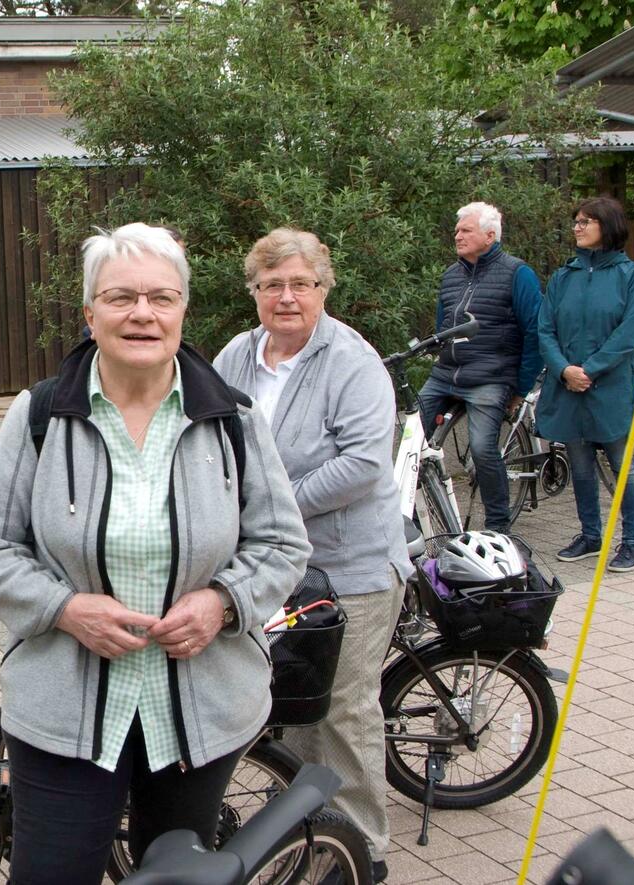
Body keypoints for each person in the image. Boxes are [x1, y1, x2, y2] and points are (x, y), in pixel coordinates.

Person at [0, 223, 310, 885]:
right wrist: (64, 608)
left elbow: (284, 543)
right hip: (65, 708)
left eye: (161, 297)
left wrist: (222, 601)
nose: (142, 313)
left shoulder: (232, 419)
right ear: (90, 314)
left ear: (183, 311)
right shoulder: (39, 416)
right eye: (121, 297)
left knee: (178, 876)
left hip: (199, 711)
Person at [213, 227, 413, 884]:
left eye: (301, 283)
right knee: (290, 702)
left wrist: (274, 505)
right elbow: (205, 430)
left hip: (349, 568)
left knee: (342, 709)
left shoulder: (351, 361)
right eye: (273, 285)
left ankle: (362, 846)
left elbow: (361, 461)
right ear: (256, 293)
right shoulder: (238, 356)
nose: (287, 296)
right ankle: (305, 825)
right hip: (275, 570)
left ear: (323, 289)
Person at [537, 196, 634, 572]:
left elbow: (629, 332)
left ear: (609, 226)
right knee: (581, 467)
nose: (577, 227)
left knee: (625, 466)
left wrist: (590, 370)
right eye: (577, 221)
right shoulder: (563, 277)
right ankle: (590, 534)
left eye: (586, 221)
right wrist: (564, 369)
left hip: (610, 389)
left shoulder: (632, 276)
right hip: (568, 386)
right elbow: (545, 329)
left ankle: (632, 541)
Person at [418, 201, 543, 532]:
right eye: (457, 230)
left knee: (483, 449)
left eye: (465, 230)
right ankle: (410, 516)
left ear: (490, 235)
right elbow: (443, 327)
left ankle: (499, 527)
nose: (457, 235)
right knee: (409, 438)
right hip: (446, 374)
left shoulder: (518, 274)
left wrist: (521, 387)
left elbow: (536, 332)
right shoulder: (450, 275)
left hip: (490, 376)